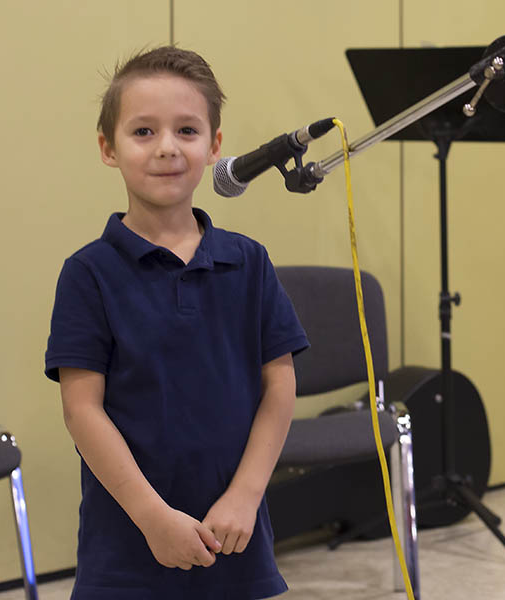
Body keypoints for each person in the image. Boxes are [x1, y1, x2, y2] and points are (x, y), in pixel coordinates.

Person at [45, 46, 308, 600]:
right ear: (107, 149)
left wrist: (245, 495)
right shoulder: (88, 273)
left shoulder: (249, 261)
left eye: (187, 131)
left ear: (214, 146)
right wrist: (152, 517)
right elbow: (81, 409)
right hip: (128, 538)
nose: (166, 147)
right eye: (143, 132)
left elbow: (280, 386)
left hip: (234, 532)